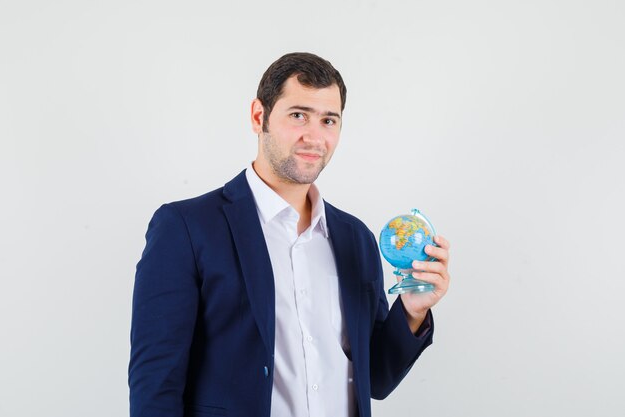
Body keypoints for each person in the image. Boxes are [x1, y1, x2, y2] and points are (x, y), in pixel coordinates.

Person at [129, 52, 451, 417]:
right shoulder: (186, 227)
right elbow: (155, 384)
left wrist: (410, 310)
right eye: (298, 115)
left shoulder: (356, 239)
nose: (314, 136)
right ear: (258, 116)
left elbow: (374, 378)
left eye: (329, 120)